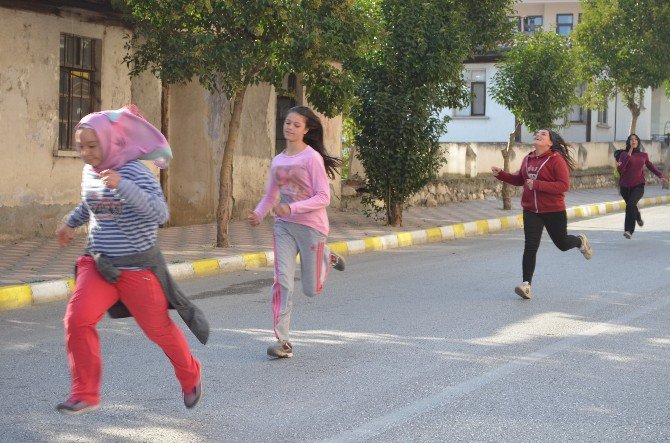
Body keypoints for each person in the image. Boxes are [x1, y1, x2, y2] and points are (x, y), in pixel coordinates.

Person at [55, 106, 207, 415]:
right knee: (77, 319)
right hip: (99, 264)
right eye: (81, 146)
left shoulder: (135, 172)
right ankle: (85, 393)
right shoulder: (91, 171)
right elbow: (90, 203)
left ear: (110, 142)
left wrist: (122, 185)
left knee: (158, 331)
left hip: (138, 268)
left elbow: (160, 214)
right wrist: (71, 223)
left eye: (92, 146)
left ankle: (190, 374)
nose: (85, 153)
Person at [248, 105, 345, 358]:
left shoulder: (312, 158)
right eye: (287, 123)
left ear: (306, 129)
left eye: (296, 124)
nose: (289, 127)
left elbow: (324, 197)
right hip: (284, 228)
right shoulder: (278, 161)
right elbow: (271, 195)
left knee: (311, 290)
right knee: (282, 282)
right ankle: (284, 341)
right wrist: (258, 214)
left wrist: (292, 208)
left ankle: (328, 256)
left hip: (312, 227)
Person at [492, 129, 593, 300]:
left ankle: (580, 241)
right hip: (531, 210)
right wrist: (502, 175)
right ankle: (526, 285)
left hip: (554, 210)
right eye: (537, 133)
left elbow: (563, 186)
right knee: (530, 246)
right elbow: (520, 181)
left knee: (561, 243)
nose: (538, 134)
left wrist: (537, 185)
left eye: (543, 134)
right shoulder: (528, 159)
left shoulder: (556, 160)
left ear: (550, 143)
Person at [615, 133, 668, 239]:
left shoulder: (643, 155)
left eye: (635, 139)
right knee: (631, 206)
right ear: (628, 142)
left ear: (638, 142)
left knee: (630, 205)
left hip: (638, 186)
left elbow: (651, 166)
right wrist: (628, 155)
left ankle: (629, 230)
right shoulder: (623, 155)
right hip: (625, 187)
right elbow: (620, 170)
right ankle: (638, 216)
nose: (633, 141)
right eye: (631, 139)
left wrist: (660, 175)